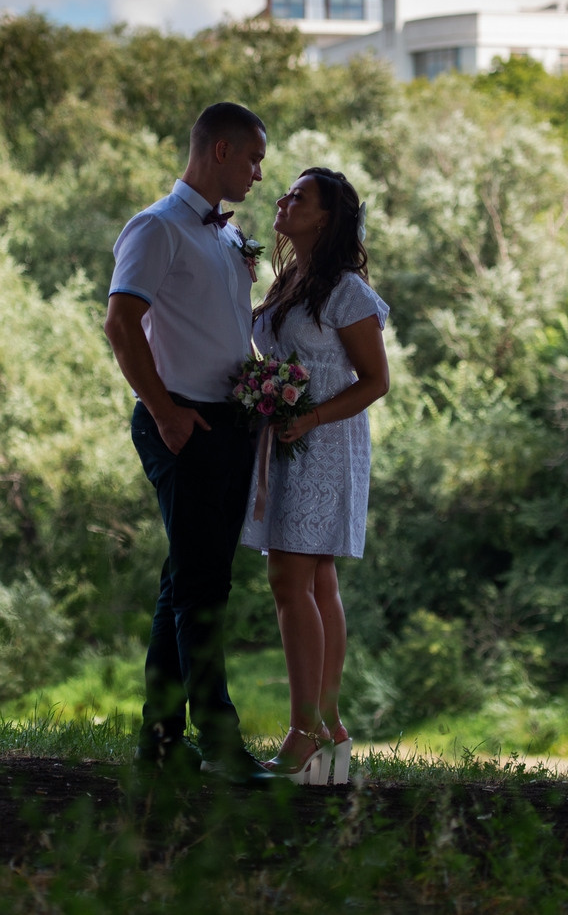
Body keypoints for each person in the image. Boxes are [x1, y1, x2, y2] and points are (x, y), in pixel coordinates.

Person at [103, 102, 272, 782]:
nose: (258, 173)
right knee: (203, 587)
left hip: (232, 423)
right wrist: (165, 411)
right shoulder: (156, 227)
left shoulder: (229, 237)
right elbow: (121, 323)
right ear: (221, 150)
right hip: (183, 423)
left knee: (186, 580)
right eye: (254, 159)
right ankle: (220, 741)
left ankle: (162, 742)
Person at [242, 167, 390, 786]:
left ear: (326, 217)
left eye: (299, 196)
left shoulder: (346, 290)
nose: (284, 200)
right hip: (286, 439)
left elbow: (376, 381)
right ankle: (330, 729)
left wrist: (311, 417)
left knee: (289, 577)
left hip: (325, 440)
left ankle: (304, 732)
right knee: (316, 576)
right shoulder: (288, 281)